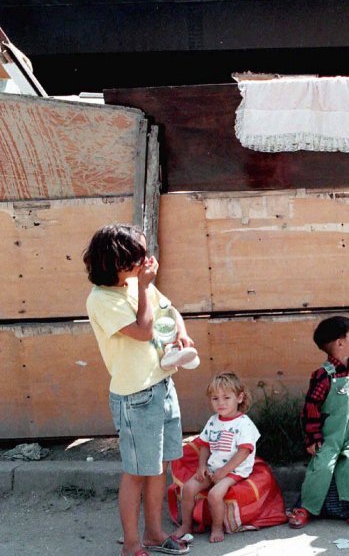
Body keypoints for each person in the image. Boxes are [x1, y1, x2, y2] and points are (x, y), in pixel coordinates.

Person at [83, 223, 193, 556]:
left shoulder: (134, 284)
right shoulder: (102, 299)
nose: (146, 260)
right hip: (135, 397)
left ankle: (154, 534)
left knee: (159, 466)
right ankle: (132, 545)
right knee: (135, 473)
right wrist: (145, 287)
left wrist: (181, 334)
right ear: (116, 262)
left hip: (161, 385)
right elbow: (144, 331)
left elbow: (169, 311)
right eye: (138, 256)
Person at [288, 316, 349, 532]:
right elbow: (311, 408)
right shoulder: (324, 376)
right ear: (339, 343)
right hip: (329, 437)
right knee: (320, 466)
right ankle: (307, 508)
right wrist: (313, 438)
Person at [172, 372, 260, 543]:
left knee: (214, 494)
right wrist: (202, 466)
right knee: (188, 489)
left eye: (226, 397)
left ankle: (217, 528)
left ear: (239, 398)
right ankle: (186, 525)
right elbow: (204, 445)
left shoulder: (244, 423)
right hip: (213, 468)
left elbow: (244, 452)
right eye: (215, 398)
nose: (221, 403)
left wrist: (223, 472)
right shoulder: (213, 421)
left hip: (235, 470)